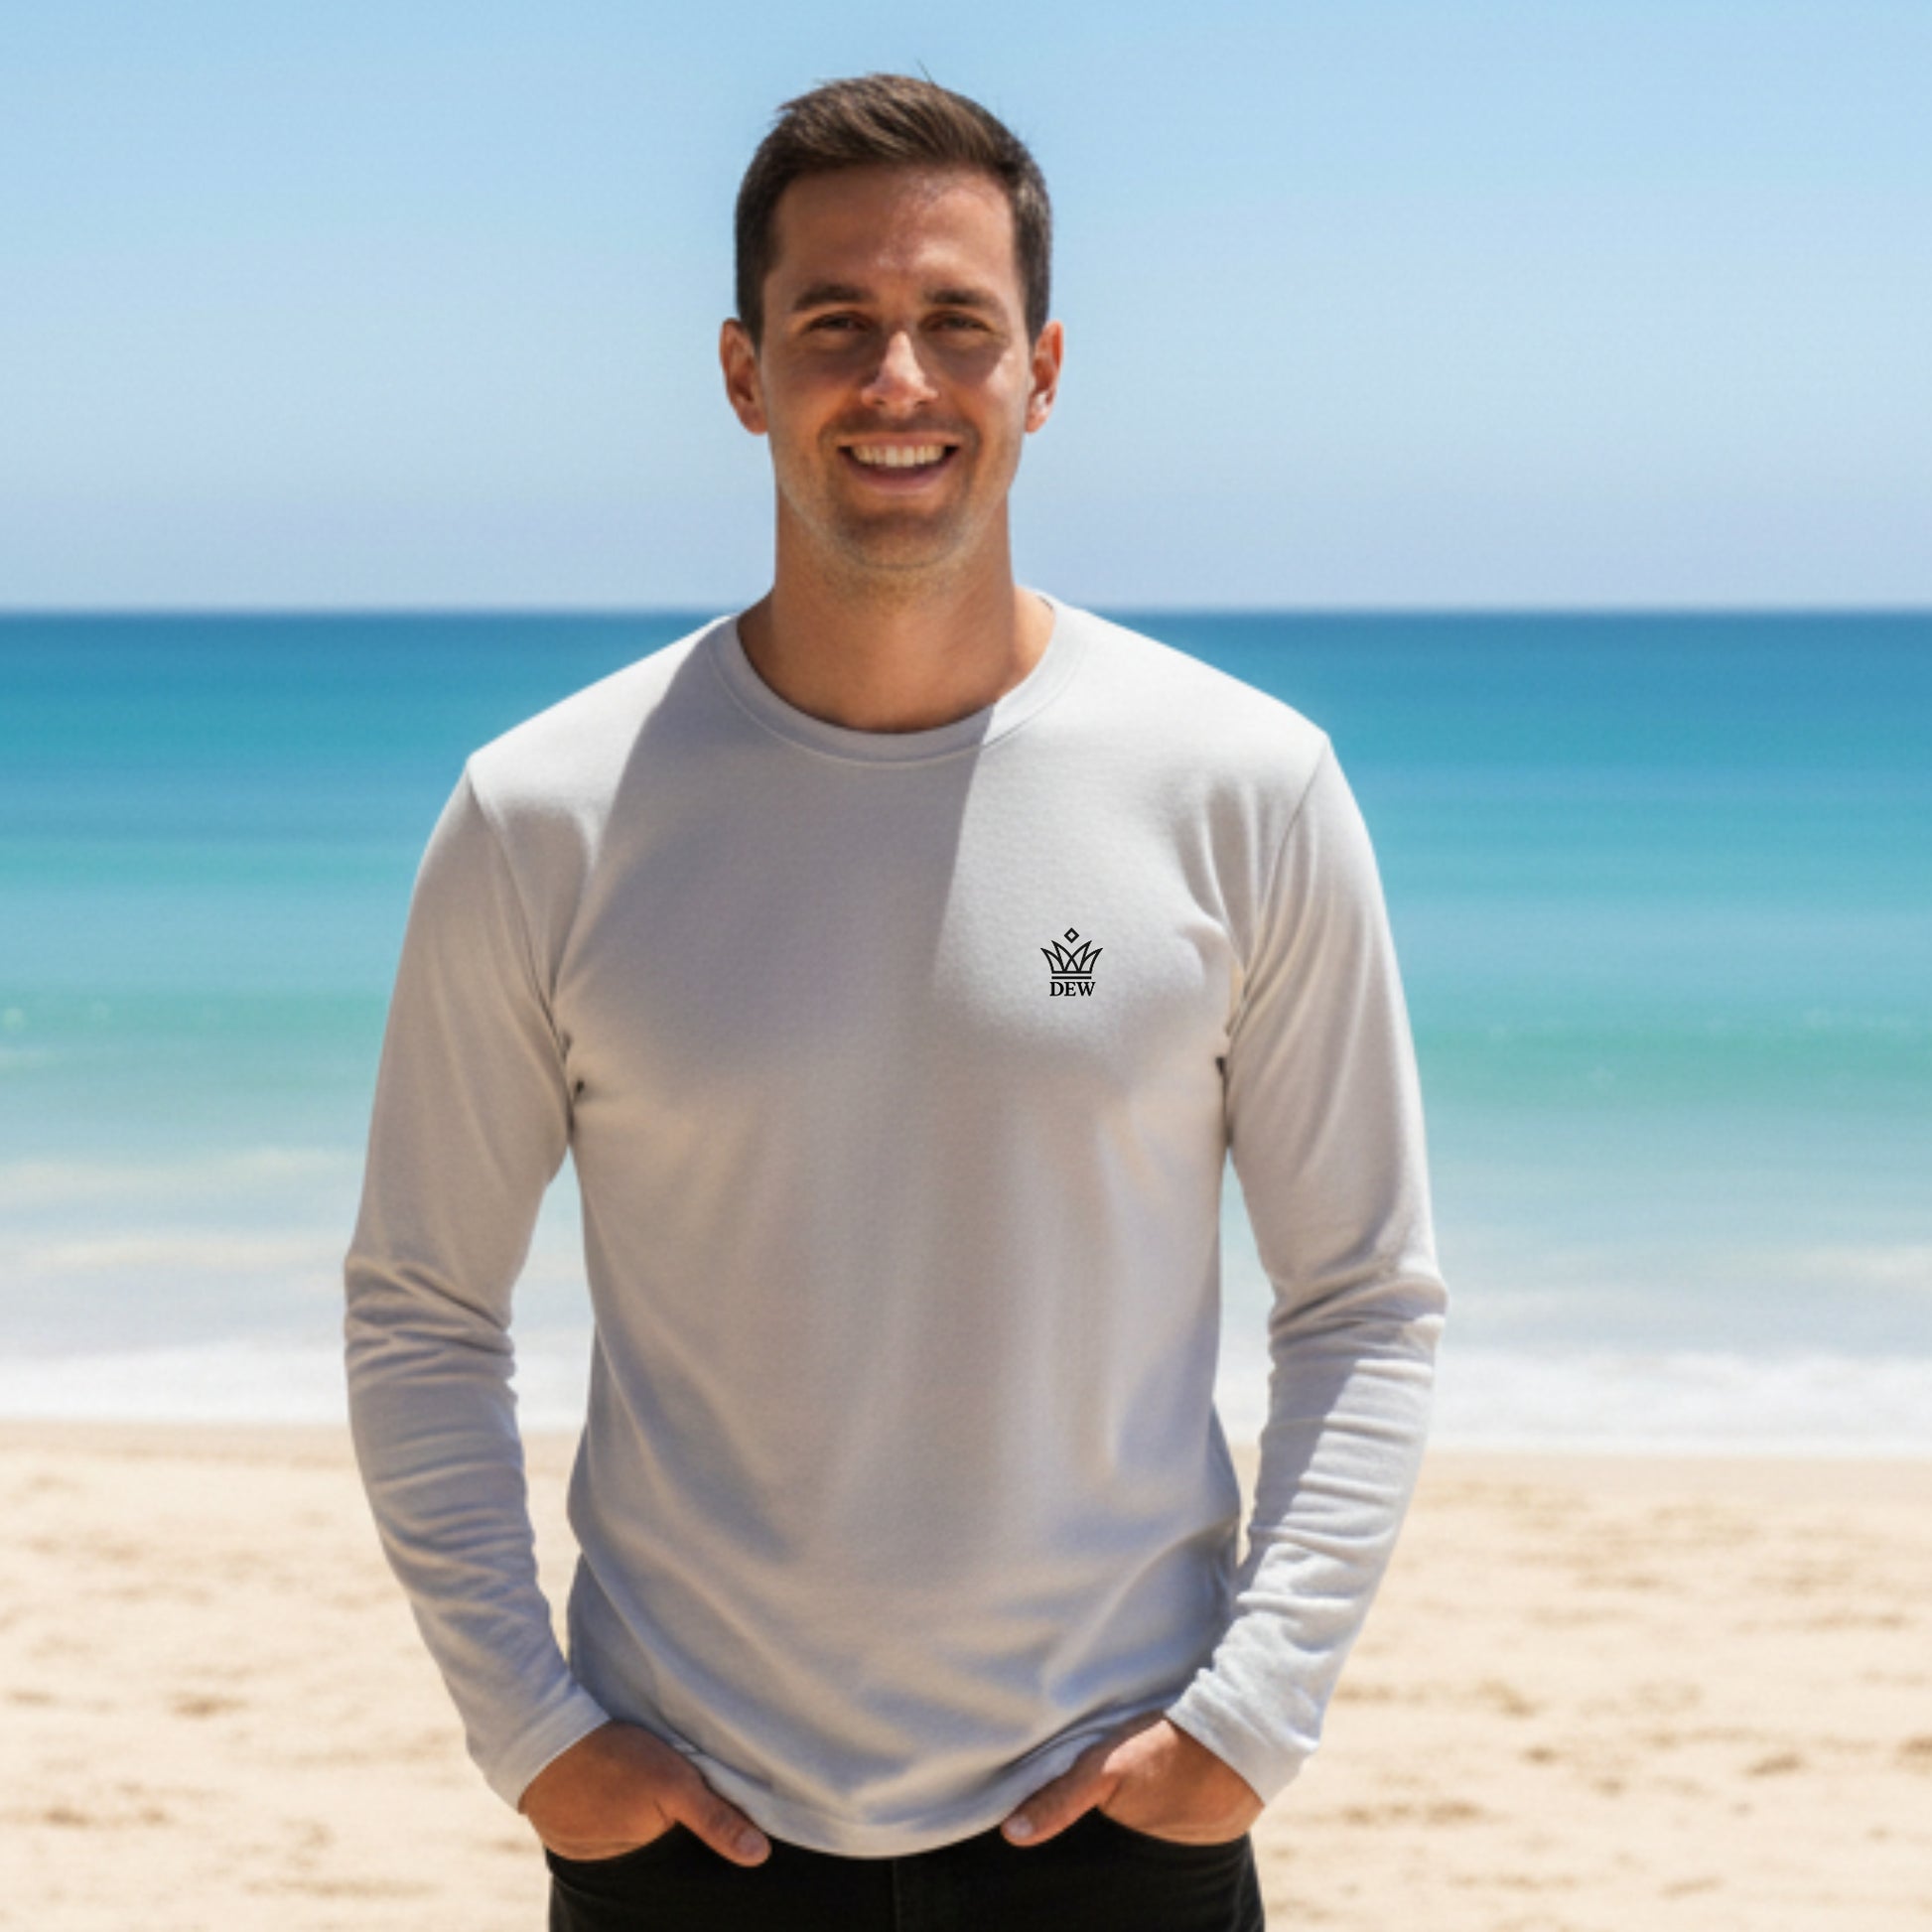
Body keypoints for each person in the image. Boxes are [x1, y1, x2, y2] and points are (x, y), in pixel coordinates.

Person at [344, 70, 1448, 1932]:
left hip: (1118, 1822)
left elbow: (1364, 1297)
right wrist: (527, 1728)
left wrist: (1252, 1717)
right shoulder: (547, 811)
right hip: (686, 1830)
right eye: (834, 325)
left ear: (1044, 368)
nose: (899, 383)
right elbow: (421, 1311)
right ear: (739, 368)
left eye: (957, 325)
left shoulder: (1240, 784)